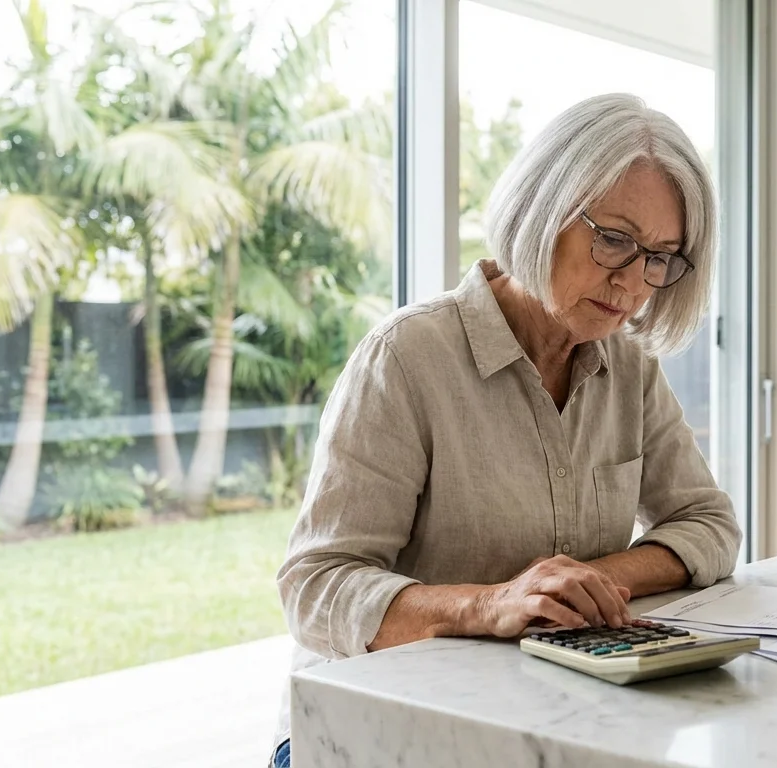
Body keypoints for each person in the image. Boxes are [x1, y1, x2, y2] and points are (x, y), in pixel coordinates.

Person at [267, 93, 741, 767]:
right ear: (545, 207)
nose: (636, 283)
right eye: (614, 240)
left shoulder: (628, 366)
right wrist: (491, 604)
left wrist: (583, 584)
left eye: (660, 257)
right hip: (363, 731)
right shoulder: (407, 357)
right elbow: (315, 587)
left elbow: (709, 524)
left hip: (540, 715)